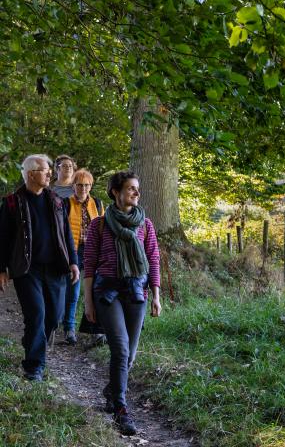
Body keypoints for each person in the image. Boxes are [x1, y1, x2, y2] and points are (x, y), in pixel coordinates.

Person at [83, 171, 161, 435]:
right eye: (130, 188)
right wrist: (88, 303)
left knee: (130, 354)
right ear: (115, 192)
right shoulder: (99, 225)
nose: (136, 193)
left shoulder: (145, 225)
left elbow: (153, 260)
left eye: (137, 188)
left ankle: (111, 390)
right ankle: (120, 409)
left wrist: (157, 295)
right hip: (106, 292)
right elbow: (89, 265)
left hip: (137, 291)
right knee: (121, 349)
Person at [0, 154, 79, 381]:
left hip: (55, 268)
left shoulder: (56, 201)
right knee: (36, 315)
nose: (49, 174)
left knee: (54, 317)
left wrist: (73, 261)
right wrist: (2, 269)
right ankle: (34, 367)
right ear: (31, 174)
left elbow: (67, 236)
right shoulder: (12, 202)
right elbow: (2, 238)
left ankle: (32, 341)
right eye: (45, 170)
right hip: (27, 270)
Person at [62, 169, 104, 345]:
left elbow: (103, 227)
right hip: (74, 251)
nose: (83, 188)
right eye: (80, 185)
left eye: (87, 185)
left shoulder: (97, 203)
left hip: (93, 251)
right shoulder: (66, 203)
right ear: (73, 186)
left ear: (91, 186)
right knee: (73, 292)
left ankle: (96, 331)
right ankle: (69, 329)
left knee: (95, 290)